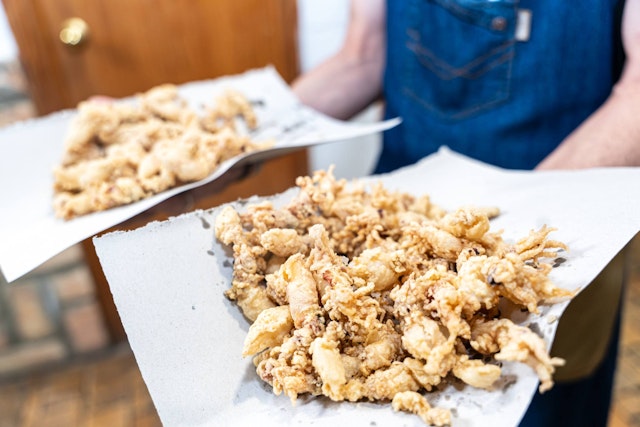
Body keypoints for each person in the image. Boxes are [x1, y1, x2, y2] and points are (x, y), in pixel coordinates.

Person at [291, 1, 640, 425]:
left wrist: (500, 245)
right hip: (396, 213)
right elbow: (363, 54)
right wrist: (239, 144)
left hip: (554, 235)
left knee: (534, 397)